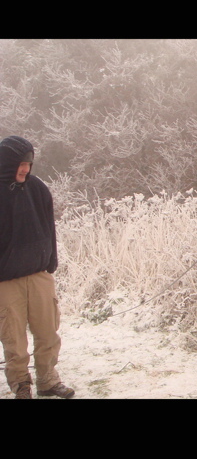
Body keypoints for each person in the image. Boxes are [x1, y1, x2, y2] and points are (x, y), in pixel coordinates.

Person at [0, 135, 75, 399]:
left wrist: (51, 261)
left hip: (40, 274)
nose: (25, 169)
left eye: (29, 163)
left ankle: (47, 380)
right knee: (14, 339)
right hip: (6, 281)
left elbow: (49, 228)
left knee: (48, 332)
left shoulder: (38, 189)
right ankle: (21, 384)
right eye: (20, 164)